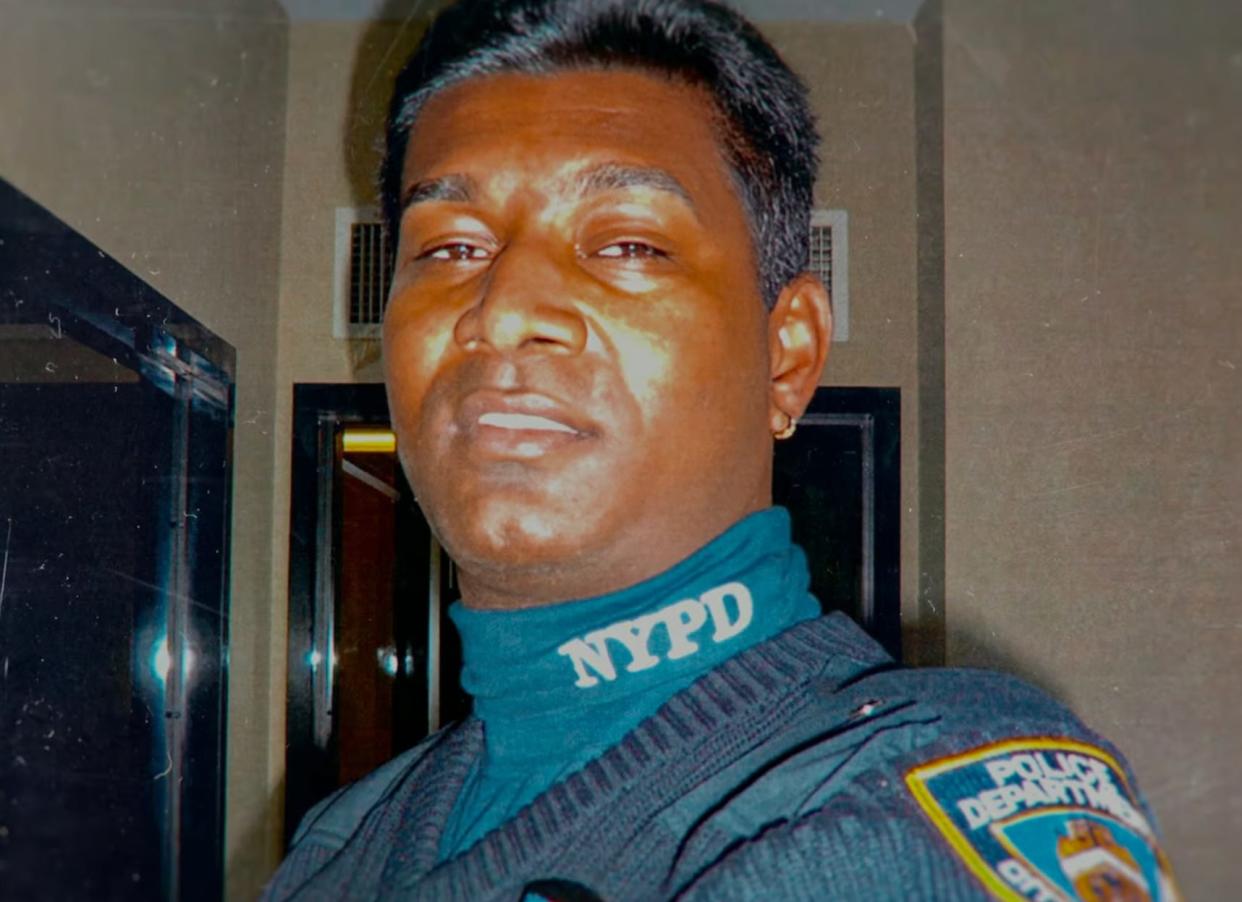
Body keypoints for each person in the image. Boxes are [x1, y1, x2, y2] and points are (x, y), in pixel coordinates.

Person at [264, 1, 1179, 899]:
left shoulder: (907, 809)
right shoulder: (340, 844)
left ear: (787, 356)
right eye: (452, 246)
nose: (501, 309)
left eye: (626, 243)